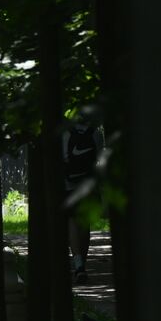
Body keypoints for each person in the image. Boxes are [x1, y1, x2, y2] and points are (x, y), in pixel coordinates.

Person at [62, 117, 104, 283]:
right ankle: (82, 266)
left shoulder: (65, 132)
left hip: (69, 183)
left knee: (72, 221)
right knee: (84, 223)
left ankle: (78, 263)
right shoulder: (95, 133)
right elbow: (99, 159)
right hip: (89, 184)